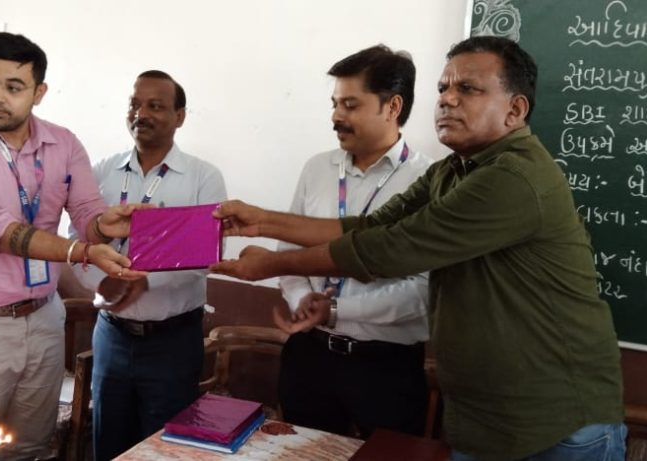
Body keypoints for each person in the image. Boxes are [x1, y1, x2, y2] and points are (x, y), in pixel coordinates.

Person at [212, 36, 625, 460]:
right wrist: (261, 220)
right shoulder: (451, 171)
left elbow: (389, 248)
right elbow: (369, 226)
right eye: (443, 88)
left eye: (467, 88)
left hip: (555, 424)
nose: (447, 99)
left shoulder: (513, 176)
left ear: (515, 110)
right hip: (486, 418)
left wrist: (271, 265)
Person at [0, 32, 144, 460]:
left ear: (39, 93)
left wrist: (104, 224)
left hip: (43, 316)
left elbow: (86, 212)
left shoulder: (62, 143)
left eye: (13, 86)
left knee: (31, 448)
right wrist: (81, 252)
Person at [273, 45, 432, 439]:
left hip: (385, 367)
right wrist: (302, 300)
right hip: (309, 357)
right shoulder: (317, 169)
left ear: (392, 107)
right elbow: (288, 254)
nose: (336, 116)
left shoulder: (428, 180)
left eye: (350, 104)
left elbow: (424, 289)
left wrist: (335, 310)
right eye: (334, 104)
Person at [71, 70, 227, 460]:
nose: (141, 114)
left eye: (155, 106)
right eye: (135, 104)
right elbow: (75, 240)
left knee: (163, 449)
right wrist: (101, 283)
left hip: (171, 341)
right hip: (111, 335)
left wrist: (142, 282)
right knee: (107, 441)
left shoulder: (203, 178)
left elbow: (203, 257)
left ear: (179, 116)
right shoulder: (102, 171)